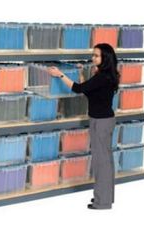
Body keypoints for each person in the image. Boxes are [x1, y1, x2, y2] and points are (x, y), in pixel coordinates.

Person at [48, 43, 120, 210]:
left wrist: (59, 75)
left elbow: (78, 89)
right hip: (105, 120)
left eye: (96, 56)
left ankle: (102, 203)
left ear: (105, 59)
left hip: (100, 123)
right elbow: (88, 91)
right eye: (93, 55)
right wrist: (81, 72)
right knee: (106, 162)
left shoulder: (102, 77)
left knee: (101, 163)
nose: (92, 58)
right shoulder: (106, 75)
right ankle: (107, 199)